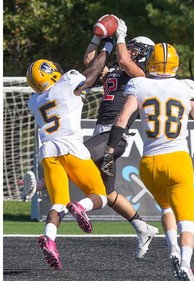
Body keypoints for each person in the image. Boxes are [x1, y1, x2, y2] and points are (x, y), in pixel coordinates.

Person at [22, 17, 160, 259]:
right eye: (131, 44)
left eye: (136, 47)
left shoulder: (140, 75)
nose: (131, 49)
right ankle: (143, 227)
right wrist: (97, 37)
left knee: (75, 156)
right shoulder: (116, 72)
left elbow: (125, 60)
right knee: (107, 194)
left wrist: (118, 35)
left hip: (114, 136)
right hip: (101, 134)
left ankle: (47, 187)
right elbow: (90, 63)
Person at [100, 43, 194, 281]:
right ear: (176, 64)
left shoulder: (139, 84)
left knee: (166, 208)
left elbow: (122, 119)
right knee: (187, 221)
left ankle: (172, 248)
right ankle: (185, 263)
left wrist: (110, 150)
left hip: (149, 164)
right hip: (178, 160)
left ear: (151, 63)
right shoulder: (186, 87)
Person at [25, 36, 114, 270]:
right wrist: (108, 46)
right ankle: (82, 207)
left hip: (47, 151)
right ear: (51, 73)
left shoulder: (34, 101)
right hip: (71, 146)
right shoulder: (67, 82)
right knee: (101, 195)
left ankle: (49, 238)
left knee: (58, 203)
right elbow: (93, 71)